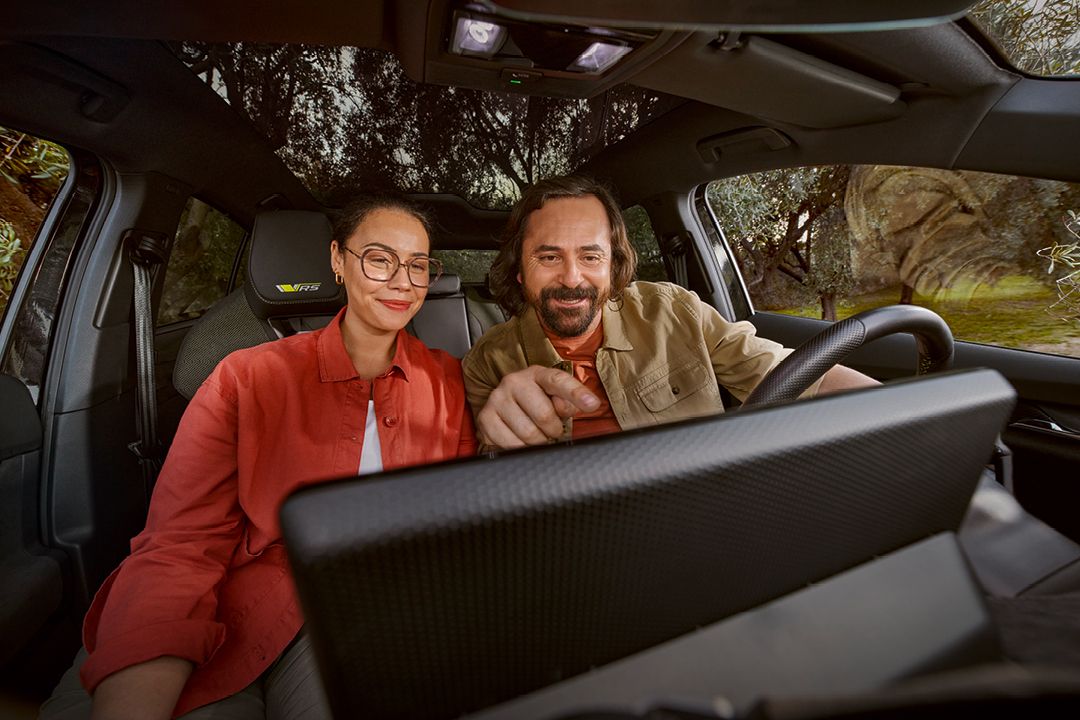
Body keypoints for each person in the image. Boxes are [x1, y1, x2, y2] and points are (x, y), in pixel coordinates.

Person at [42, 195, 477, 719]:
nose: (402, 282)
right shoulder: (245, 376)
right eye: (381, 259)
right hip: (238, 596)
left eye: (418, 266)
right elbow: (183, 540)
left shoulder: (449, 380)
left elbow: (457, 529)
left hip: (370, 610)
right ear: (338, 260)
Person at [462, 175, 875, 450]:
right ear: (519, 270)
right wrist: (495, 440)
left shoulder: (675, 310)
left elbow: (803, 377)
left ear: (613, 263)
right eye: (549, 257)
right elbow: (485, 480)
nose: (572, 278)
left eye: (590, 256)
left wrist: (901, 408)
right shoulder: (488, 362)